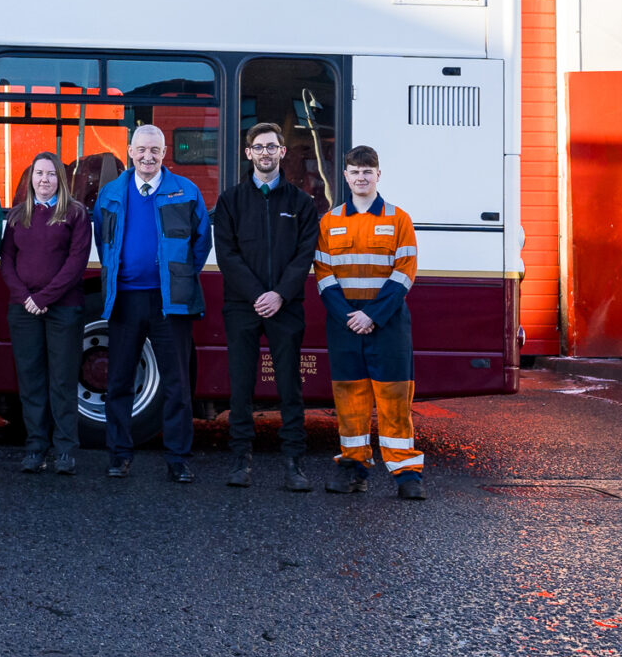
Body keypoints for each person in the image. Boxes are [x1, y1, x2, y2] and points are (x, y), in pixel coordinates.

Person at [91, 123, 212, 482]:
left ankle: (177, 458)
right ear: (130, 151)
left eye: (155, 151)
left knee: (176, 382)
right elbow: (104, 238)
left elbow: (200, 243)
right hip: (125, 299)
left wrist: (175, 280)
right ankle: (119, 454)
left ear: (164, 154)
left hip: (169, 303)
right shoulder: (111, 193)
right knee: (119, 380)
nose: (148, 156)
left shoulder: (185, 192)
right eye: (141, 150)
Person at [213, 122, 322, 491]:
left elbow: (304, 255)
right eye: (258, 147)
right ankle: (240, 460)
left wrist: (279, 295)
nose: (265, 152)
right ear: (248, 153)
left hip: (286, 306)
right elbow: (227, 255)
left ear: (282, 152)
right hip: (241, 306)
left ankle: (294, 463)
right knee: (241, 386)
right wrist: (258, 294)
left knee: (290, 386)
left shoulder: (301, 203)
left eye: (272, 146)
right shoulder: (231, 200)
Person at [316, 145, 425, 499]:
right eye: (355, 171)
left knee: (395, 400)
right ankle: (353, 469)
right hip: (345, 322)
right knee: (349, 400)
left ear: (379, 175)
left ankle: (407, 475)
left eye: (368, 171)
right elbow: (323, 275)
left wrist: (371, 316)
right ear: (345, 176)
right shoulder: (330, 221)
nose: (361, 177)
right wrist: (350, 317)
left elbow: (405, 274)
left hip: (387, 323)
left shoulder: (398, 219)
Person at [0, 150, 91, 474]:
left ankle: (65, 450)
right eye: (39, 173)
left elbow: (76, 264)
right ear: (30, 178)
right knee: (31, 380)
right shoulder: (16, 216)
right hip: (23, 310)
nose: (44, 180)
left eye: (51, 174)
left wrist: (45, 297)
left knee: (62, 380)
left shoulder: (76, 214)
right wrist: (25, 297)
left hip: (63, 309)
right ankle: (36, 447)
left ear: (60, 180)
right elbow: (6, 261)